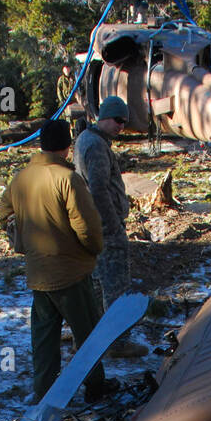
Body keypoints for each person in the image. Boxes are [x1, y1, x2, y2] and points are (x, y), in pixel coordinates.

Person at [0, 119, 106, 403]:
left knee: (44, 338)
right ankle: (95, 386)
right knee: (87, 335)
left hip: (38, 273)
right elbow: (87, 226)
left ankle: (44, 392)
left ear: (42, 144)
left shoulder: (20, 178)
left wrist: (24, 243)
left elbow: (4, 217)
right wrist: (94, 249)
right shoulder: (67, 179)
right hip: (71, 272)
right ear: (67, 148)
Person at [73, 96, 131, 308]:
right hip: (105, 230)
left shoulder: (87, 138)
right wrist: (114, 226)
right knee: (117, 292)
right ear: (104, 117)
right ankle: (118, 339)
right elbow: (99, 190)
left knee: (97, 290)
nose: (121, 126)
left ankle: (98, 336)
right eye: (117, 120)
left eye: (124, 121)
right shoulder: (96, 146)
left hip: (93, 226)